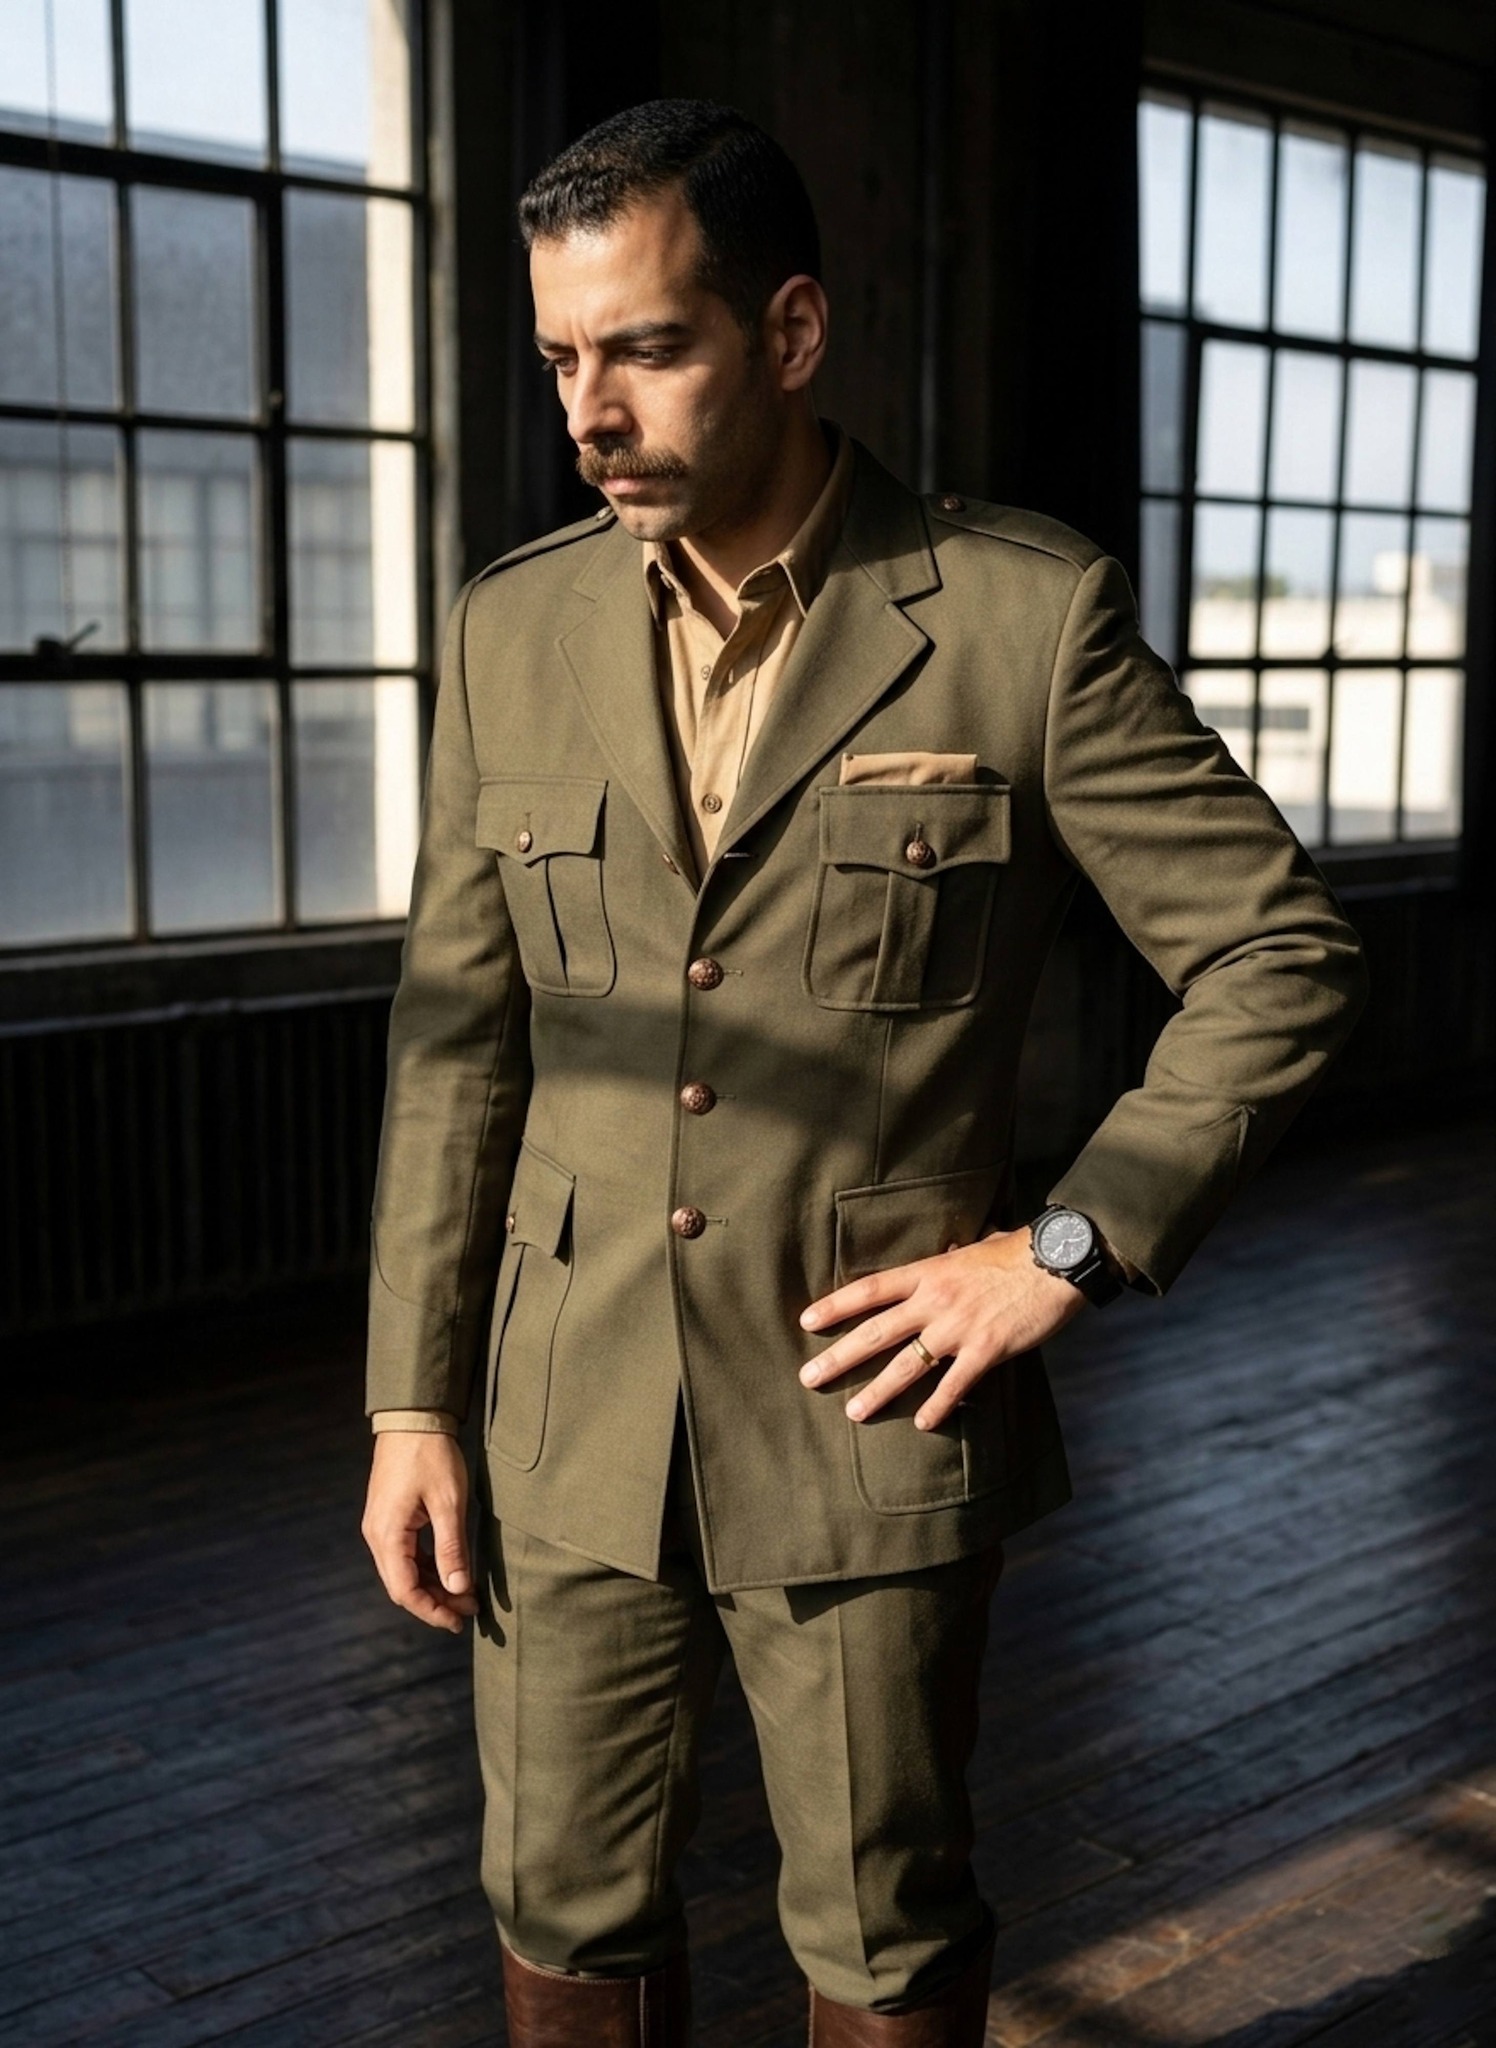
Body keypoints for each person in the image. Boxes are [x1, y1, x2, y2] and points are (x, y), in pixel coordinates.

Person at [359, 98, 1367, 2046]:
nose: (591, 408)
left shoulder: (1011, 614)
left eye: (647, 346)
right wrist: (415, 1394)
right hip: (564, 1416)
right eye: (564, 356)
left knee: (883, 1936)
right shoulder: (513, 629)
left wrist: (1060, 1247)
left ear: (792, 333)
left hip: (863, 1409)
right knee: (556, 1903)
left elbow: (1277, 952)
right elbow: (458, 1041)